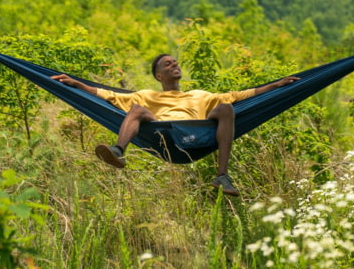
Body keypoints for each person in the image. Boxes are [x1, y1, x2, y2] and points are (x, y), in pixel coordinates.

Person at [51, 53, 299, 196]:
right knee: (136, 109)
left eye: (176, 62)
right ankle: (118, 152)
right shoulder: (147, 95)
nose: (174, 65)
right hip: (164, 136)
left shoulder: (202, 96)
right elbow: (107, 95)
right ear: (159, 76)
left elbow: (242, 95)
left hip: (196, 135)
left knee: (226, 108)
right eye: (168, 64)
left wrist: (275, 86)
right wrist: (77, 85)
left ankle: (222, 176)